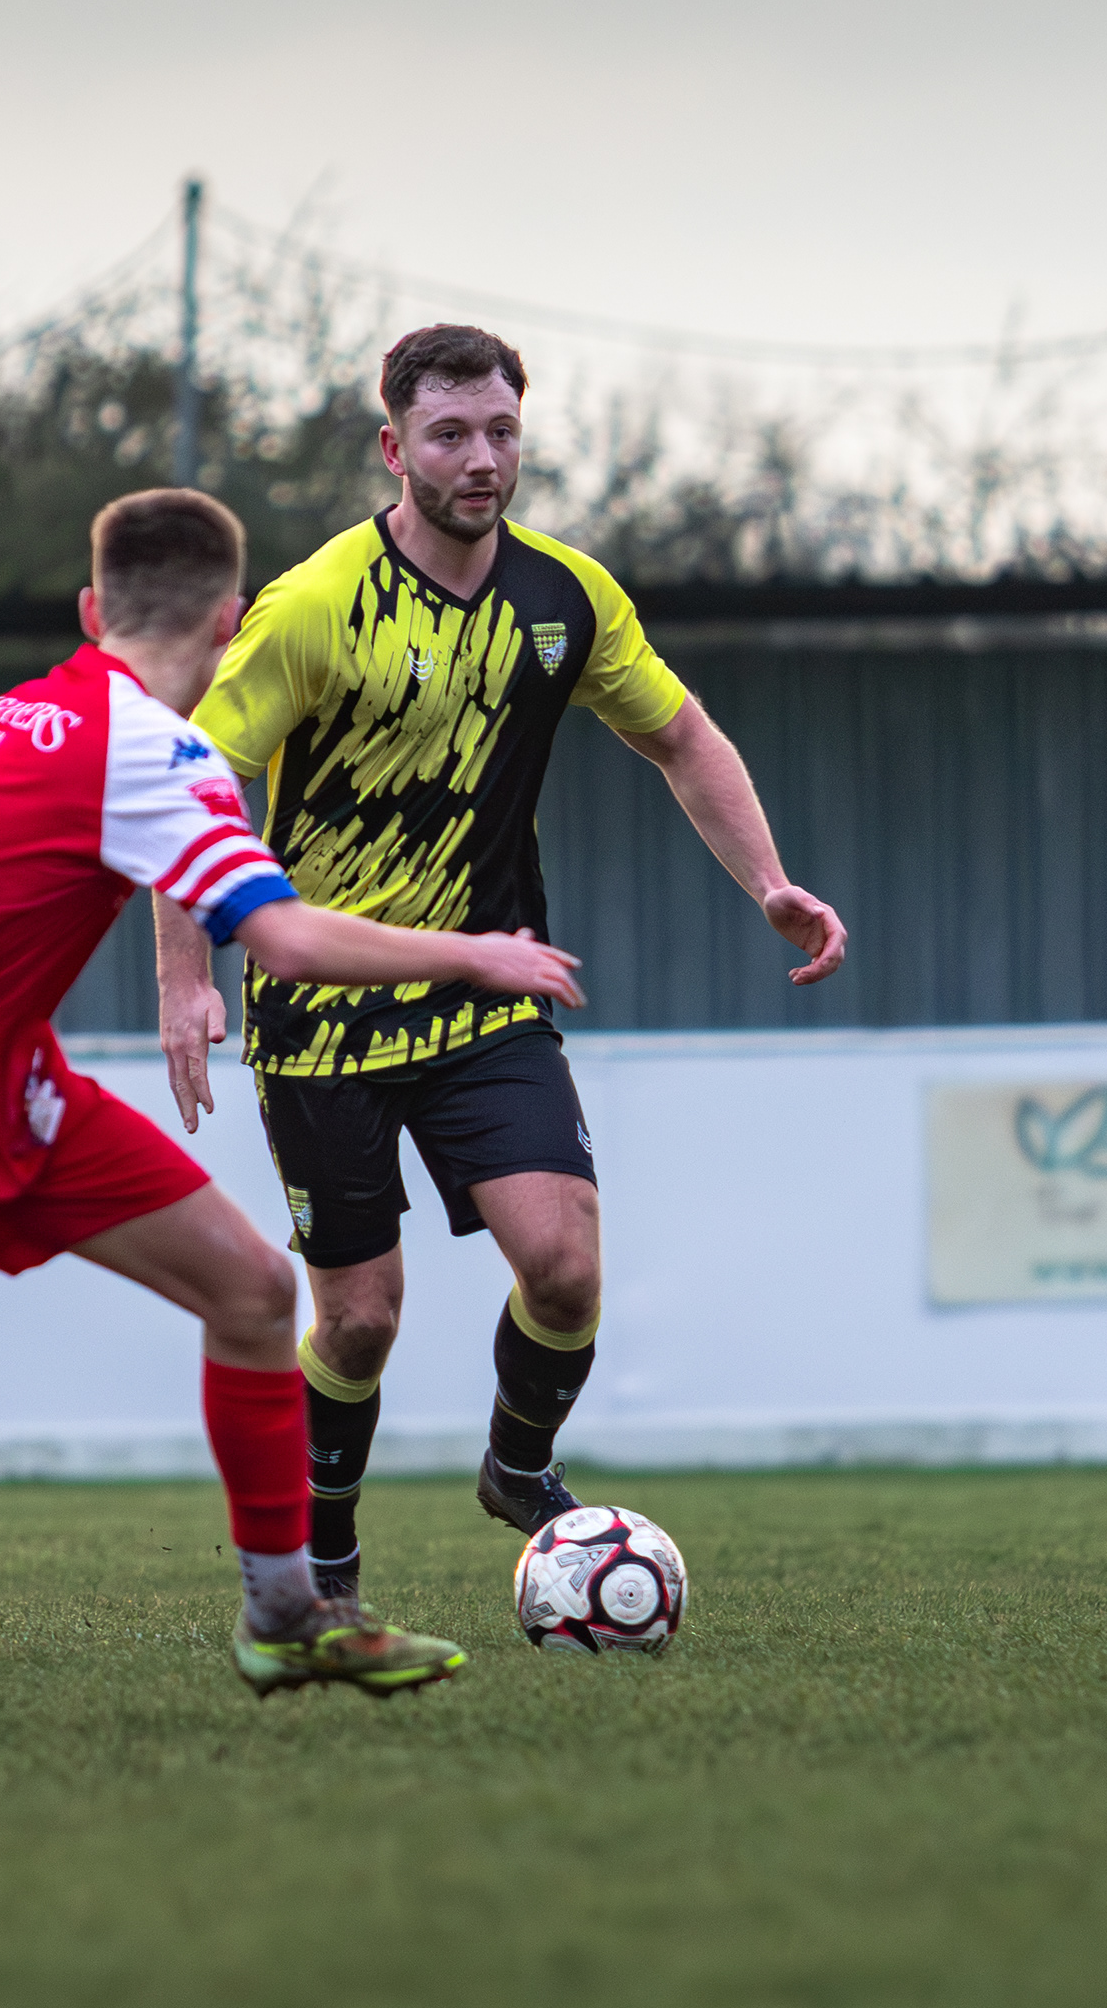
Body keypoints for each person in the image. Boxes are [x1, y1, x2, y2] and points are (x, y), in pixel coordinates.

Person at [0, 486, 590, 1725]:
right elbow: (285, 942)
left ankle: (285, 1616)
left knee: (255, 1291)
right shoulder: (158, 753)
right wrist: (477, 952)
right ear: (231, 621)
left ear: (92, 611)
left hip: (9, 1094)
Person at [154, 325, 846, 1607]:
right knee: (360, 1318)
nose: (482, 459)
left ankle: (518, 1468)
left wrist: (769, 882)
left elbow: (684, 738)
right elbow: (193, 775)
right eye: (450, 435)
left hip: (488, 989)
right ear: (393, 448)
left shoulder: (567, 599)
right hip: (320, 1013)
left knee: (566, 1265)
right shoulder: (314, 606)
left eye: (502, 432)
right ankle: (328, 1549)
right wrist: (184, 976)